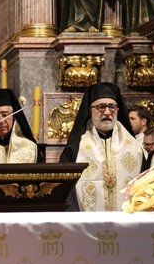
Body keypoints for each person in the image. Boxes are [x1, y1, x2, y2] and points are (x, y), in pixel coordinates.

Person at [60, 82, 143, 211]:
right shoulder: (76, 146)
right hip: (87, 220)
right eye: (101, 107)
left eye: (112, 107)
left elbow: (145, 183)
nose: (107, 112)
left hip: (127, 219)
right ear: (90, 110)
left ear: (118, 110)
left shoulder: (134, 146)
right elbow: (66, 189)